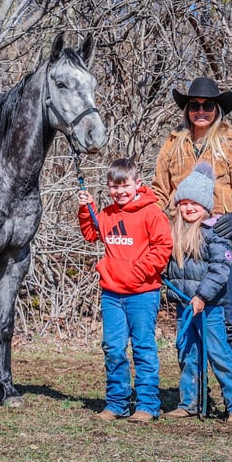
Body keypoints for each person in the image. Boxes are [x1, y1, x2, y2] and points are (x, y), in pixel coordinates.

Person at [152, 76, 232, 393]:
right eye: (194, 105)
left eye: (207, 105)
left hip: (218, 238)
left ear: (217, 109)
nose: (201, 110)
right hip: (180, 242)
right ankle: (193, 394)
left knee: (226, 319)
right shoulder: (173, 145)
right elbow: (159, 191)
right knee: (187, 316)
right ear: (186, 108)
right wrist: (154, 226)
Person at [78, 157, 173, 424]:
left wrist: (137, 272)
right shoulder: (107, 214)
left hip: (142, 294)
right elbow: (91, 233)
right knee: (113, 348)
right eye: (113, 187)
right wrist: (87, 209)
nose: (119, 192)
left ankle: (147, 405)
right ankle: (117, 402)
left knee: (143, 348)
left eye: (124, 186)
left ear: (137, 184)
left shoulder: (152, 213)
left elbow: (163, 247)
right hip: (112, 294)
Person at [162, 162, 232, 425]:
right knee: (187, 353)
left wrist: (202, 296)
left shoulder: (216, 231)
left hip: (210, 306)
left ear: (206, 207)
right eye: (184, 203)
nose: (189, 208)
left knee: (219, 354)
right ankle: (189, 402)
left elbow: (220, 270)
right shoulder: (173, 231)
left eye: (195, 204)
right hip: (185, 305)